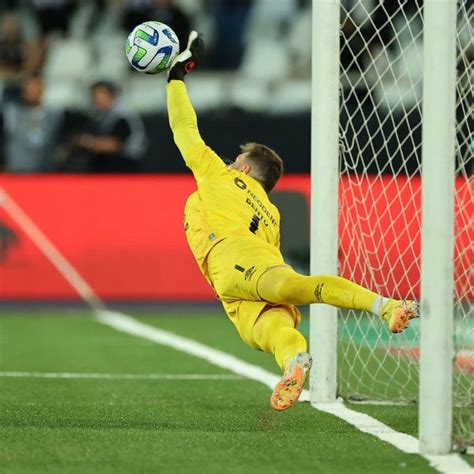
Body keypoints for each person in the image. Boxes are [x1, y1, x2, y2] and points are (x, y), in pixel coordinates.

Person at [165, 32, 418, 411]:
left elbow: (184, 128)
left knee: (294, 288)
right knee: (276, 328)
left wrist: (176, 77)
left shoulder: (221, 176)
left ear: (245, 169)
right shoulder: (271, 210)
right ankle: (294, 363)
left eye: (236, 162)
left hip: (230, 263)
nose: (231, 164)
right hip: (240, 277)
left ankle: (383, 305)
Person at [72, 80, 146, 173]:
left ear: (112, 95)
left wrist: (86, 142)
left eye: (101, 94)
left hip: (125, 166)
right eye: (94, 95)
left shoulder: (122, 115)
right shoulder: (99, 115)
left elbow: (114, 145)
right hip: (107, 166)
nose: (97, 99)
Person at [2, 75, 62, 173]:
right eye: (27, 90)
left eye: (35, 90)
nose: (31, 94)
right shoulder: (11, 113)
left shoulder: (54, 115)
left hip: (45, 170)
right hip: (17, 170)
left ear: (42, 90)